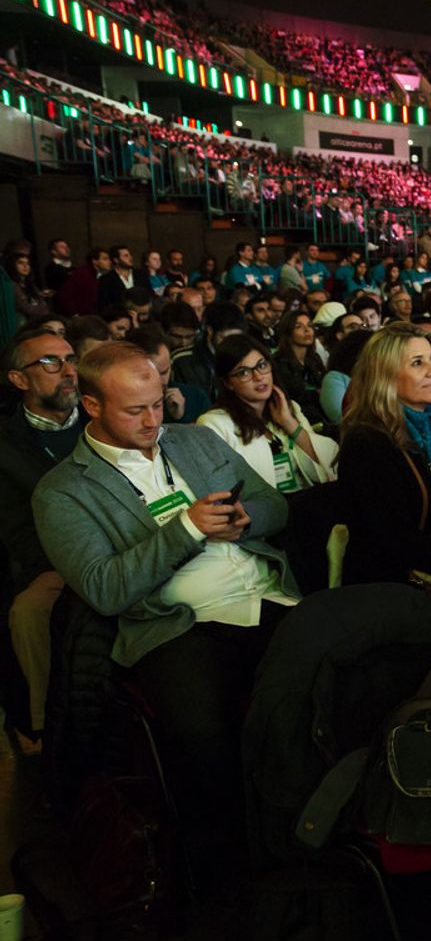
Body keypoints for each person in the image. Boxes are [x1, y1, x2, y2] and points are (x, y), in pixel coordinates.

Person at [32, 342, 295, 879]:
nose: (154, 421)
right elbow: (105, 588)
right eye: (135, 410)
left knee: (331, 678)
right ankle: (231, 865)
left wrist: (244, 518)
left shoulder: (195, 439)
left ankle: (311, 827)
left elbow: (277, 505)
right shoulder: (62, 492)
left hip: (267, 596)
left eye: (157, 403)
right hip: (177, 626)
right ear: (92, 405)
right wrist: (187, 529)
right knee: (201, 732)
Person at [1, 327, 86, 750]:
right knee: (30, 610)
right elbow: (17, 531)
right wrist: (74, 563)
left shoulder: (104, 419)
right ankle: (46, 733)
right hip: (54, 562)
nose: (68, 371)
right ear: (19, 379)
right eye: (51, 362)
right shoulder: (6, 445)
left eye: (70, 359)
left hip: (127, 547)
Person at [336, 324, 431, 585]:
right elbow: (395, 540)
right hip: (392, 584)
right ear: (385, 375)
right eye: (417, 363)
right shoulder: (367, 443)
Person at [196, 334, 337, 494]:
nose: (258, 377)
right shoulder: (214, 423)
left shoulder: (289, 408)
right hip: (262, 505)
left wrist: (289, 423)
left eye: (262, 365)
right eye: (244, 372)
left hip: (306, 497)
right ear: (228, 383)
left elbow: (327, 470)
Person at [124, 327, 211, 425]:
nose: (161, 381)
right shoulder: (121, 405)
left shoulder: (196, 398)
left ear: (170, 365)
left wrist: (181, 418)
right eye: (148, 375)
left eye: (164, 372)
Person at [271, 309, 328, 424]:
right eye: (299, 327)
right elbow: (293, 396)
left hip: (321, 413)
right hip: (297, 417)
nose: (307, 330)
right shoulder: (279, 362)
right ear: (288, 333)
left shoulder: (314, 358)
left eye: (309, 325)